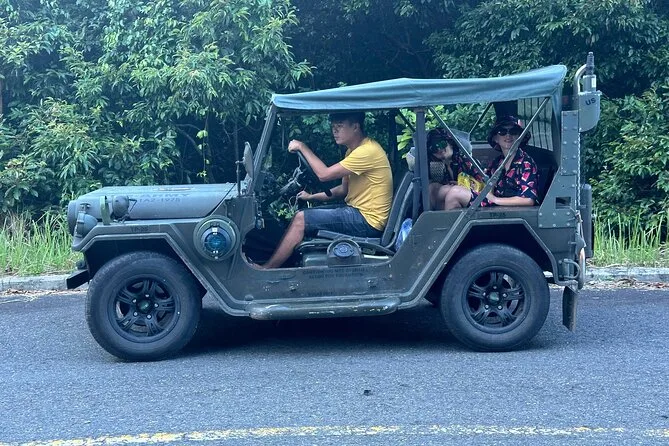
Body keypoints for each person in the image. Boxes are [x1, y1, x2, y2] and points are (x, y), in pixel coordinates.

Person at [258, 112, 393, 269]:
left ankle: (266, 270)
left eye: (340, 126)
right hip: (358, 213)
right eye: (333, 127)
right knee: (300, 215)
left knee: (301, 219)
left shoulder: (367, 151)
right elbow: (343, 190)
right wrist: (311, 197)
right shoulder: (352, 151)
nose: (334, 131)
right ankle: (287, 265)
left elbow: (324, 175)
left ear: (356, 127)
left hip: (368, 222)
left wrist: (302, 147)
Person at [443, 115, 538, 209]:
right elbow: (485, 184)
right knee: (444, 190)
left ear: (519, 136)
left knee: (455, 193)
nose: (508, 135)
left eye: (513, 131)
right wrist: (464, 184)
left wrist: (495, 200)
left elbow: (528, 200)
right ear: (495, 138)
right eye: (502, 132)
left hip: (511, 210)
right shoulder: (497, 162)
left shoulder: (526, 163)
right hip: (492, 204)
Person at [425, 128, 479, 210]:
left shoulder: (467, 161)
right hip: (445, 200)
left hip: (470, 197)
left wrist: (461, 185)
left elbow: (483, 185)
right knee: (432, 188)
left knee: (448, 190)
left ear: (450, 143)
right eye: (434, 148)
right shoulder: (434, 165)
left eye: (442, 144)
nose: (439, 149)